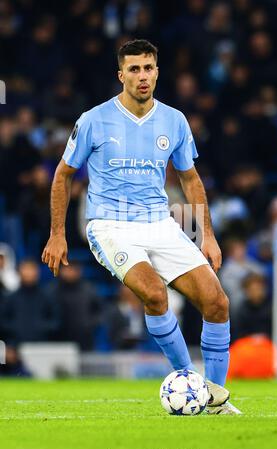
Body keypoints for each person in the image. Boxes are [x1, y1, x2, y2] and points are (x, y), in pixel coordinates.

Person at [42, 39, 240, 414]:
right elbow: (62, 175)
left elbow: (191, 180)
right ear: (121, 75)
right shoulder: (93, 120)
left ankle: (214, 397)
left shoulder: (174, 120)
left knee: (217, 302)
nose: (142, 76)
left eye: (148, 68)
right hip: (110, 224)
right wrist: (57, 233)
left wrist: (208, 237)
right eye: (134, 69)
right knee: (155, 294)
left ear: (157, 72)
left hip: (160, 223)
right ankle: (190, 383)